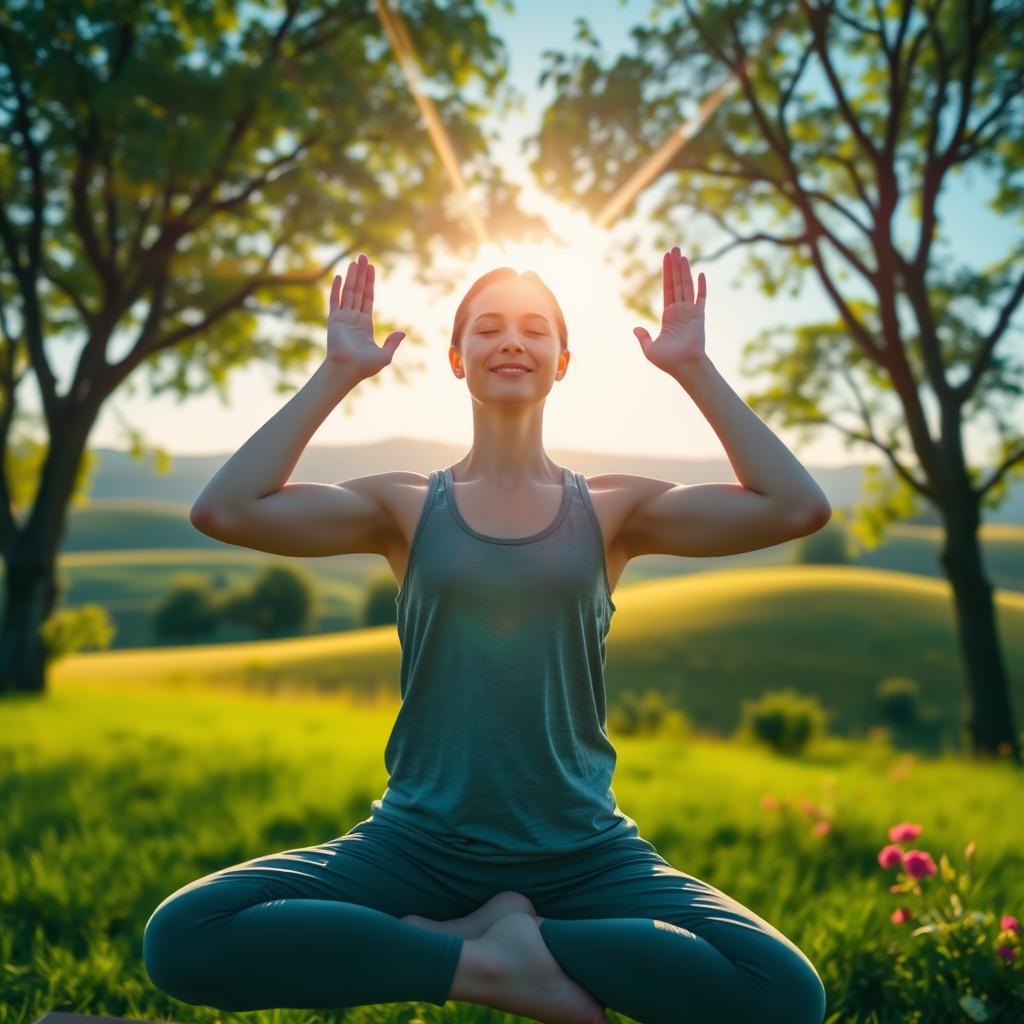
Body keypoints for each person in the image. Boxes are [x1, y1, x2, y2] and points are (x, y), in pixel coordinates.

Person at [143, 250, 829, 1024]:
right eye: (489, 327)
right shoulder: (406, 506)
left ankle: (524, 940)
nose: (512, 341)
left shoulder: (611, 511)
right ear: (457, 358)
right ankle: (488, 964)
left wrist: (694, 369)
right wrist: (337, 372)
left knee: (786, 998)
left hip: (584, 852)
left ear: (562, 363)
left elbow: (795, 507)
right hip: (416, 846)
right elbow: (224, 510)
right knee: (183, 938)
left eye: (535, 330)